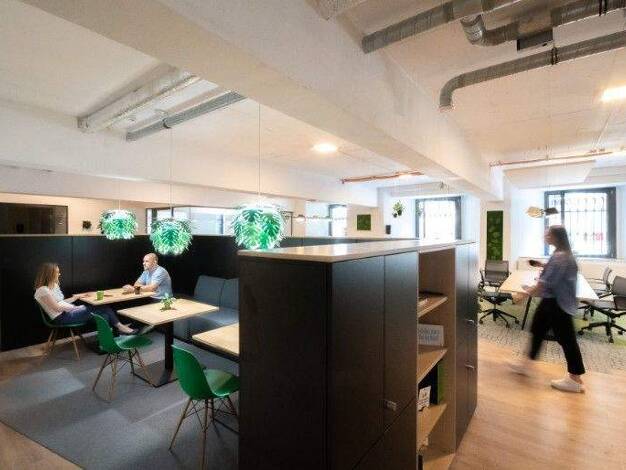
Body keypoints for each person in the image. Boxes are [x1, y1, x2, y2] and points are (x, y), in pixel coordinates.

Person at [510, 225, 586, 393]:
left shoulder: (560, 257)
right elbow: (552, 274)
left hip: (557, 303)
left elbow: (545, 283)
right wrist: (544, 266)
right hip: (552, 301)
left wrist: (523, 294)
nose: (545, 236)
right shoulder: (562, 253)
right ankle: (525, 365)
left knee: (567, 339)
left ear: (556, 237)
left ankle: (575, 379)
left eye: (548, 234)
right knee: (537, 330)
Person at [34, 262, 137, 334]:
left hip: (67, 312)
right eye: (57, 272)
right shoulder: (43, 290)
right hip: (61, 318)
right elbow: (57, 308)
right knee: (104, 307)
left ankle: (107, 341)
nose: (59, 274)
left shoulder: (53, 286)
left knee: (104, 315)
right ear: (50, 274)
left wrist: (77, 297)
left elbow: (60, 302)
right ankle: (120, 327)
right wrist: (76, 308)